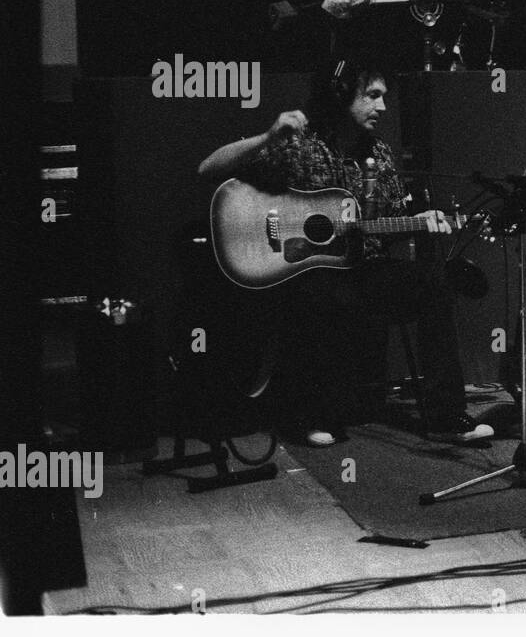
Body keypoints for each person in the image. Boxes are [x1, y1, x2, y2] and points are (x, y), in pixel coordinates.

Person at [197, 57, 492, 446]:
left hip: (362, 268)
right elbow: (208, 168)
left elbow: (382, 227)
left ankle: (446, 417)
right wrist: (268, 136)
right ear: (341, 96)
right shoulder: (298, 144)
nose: (382, 107)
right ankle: (311, 415)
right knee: (321, 294)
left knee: (435, 283)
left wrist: (422, 222)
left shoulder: (380, 154)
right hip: (304, 271)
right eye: (372, 96)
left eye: (384, 97)